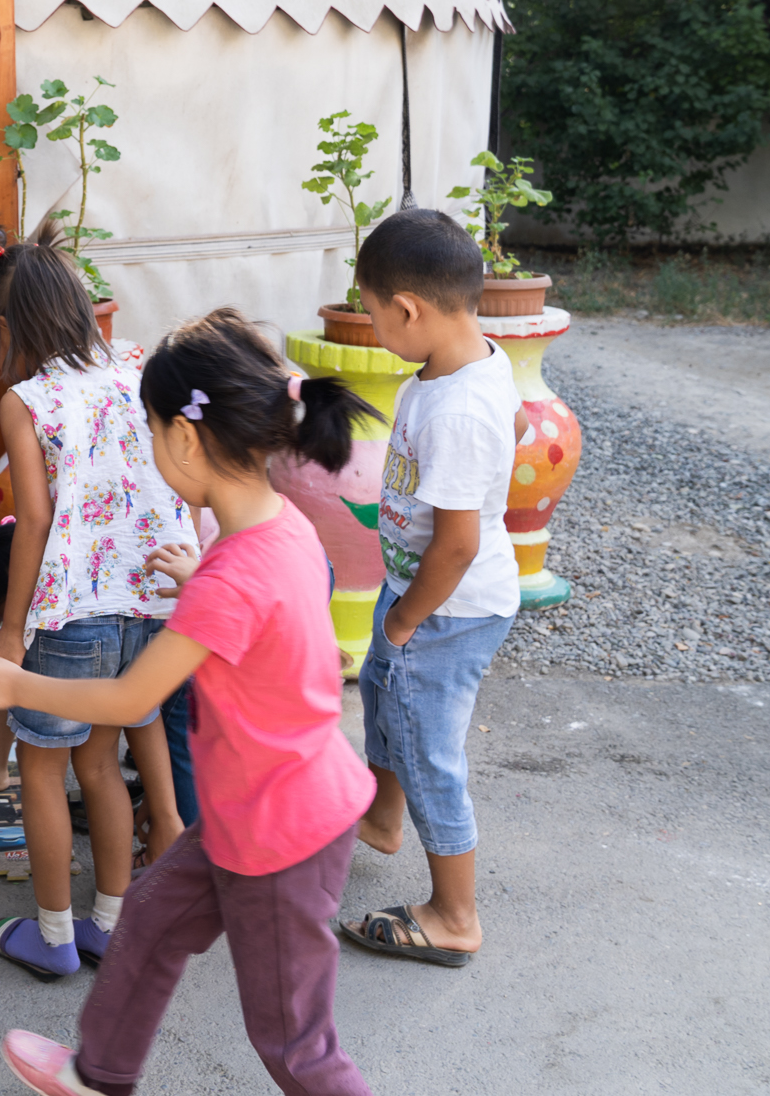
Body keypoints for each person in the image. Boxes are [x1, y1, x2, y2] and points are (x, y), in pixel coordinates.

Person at [0, 307, 381, 1096]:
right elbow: (279, 626)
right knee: (149, 918)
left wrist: (16, 685)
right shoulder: (279, 529)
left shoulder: (231, 576)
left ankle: (101, 1070)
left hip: (280, 836)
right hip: (254, 810)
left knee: (298, 1045)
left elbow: (130, 697)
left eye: (151, 430)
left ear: (186, 438)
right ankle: (99, 1073)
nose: (152, 447)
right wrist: (201, 580)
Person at [0, 217, 188, 981]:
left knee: (41, 770)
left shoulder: (27, 400)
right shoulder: (136, 367)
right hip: (150, 602)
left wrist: (10, 630)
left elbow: (33, 521)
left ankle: (53, 934)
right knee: (102, 765)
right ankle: (111, 925)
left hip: (69, 614)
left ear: (8, 326)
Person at [337, 207, 524, 968]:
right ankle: (382, 819)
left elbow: (457, 542)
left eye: (374, 314)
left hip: (444, 607)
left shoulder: (459, 411)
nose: (375, 329)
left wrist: (406, 619)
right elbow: (512, 435)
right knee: (384, 698)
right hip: (418, 593)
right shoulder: (465, 363)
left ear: (409, 309)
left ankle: (454, 915)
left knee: (426, 749)